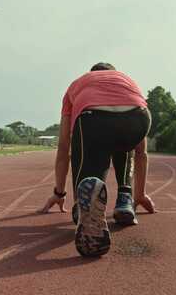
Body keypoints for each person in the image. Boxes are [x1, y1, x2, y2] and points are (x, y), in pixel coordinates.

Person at [39, 62, 156, 257]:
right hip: (138, 117)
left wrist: (59, 193)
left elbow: (64, 146)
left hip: (94, 118)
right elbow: (141, 153)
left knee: (83, 151)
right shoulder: (127, 81)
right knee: (123, 141)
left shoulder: (77, 84)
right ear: (113, 72)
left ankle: (81, 208)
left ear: (91, 74)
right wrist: (140, 194)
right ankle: (125, 200)